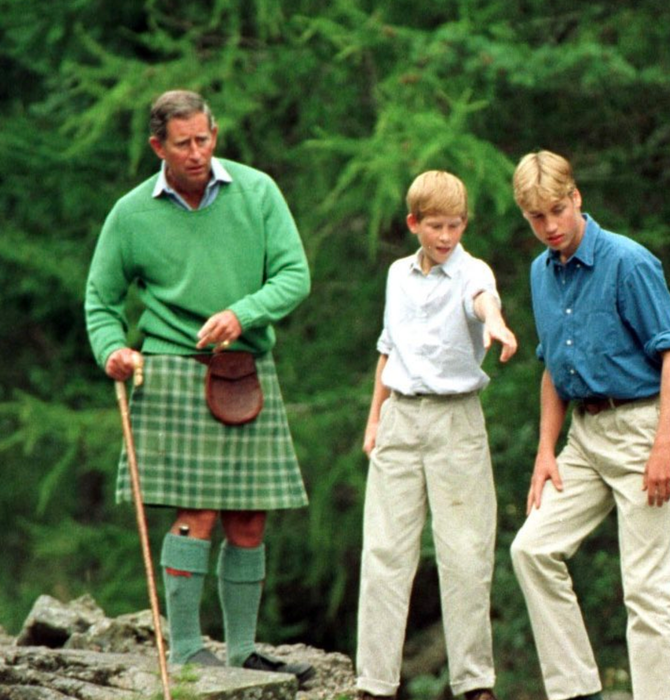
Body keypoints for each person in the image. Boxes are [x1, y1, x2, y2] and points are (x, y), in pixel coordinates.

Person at [84, 89, 313, 682]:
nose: (197, 154)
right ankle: (185, 648)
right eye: (183, 144)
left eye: (205, 139)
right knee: (199, 513)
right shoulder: (131, 214)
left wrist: (243, 313)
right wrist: (112, 349)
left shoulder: (258, 193)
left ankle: (241, 652)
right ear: (158, 145)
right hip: (171, 371)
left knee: (250, 520)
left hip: (246, 368)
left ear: (215, 133)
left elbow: (294, 276)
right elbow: (100, 300)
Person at [507, 150, 670, 700]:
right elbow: (552, 369)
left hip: (642, 428)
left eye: (557, 211)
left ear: (577, 197)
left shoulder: (628, 262)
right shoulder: (542, 272)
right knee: (531, 550)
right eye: (537, 218)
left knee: (648, 591)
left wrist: (663, 445)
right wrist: (546, 450)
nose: (551, 227)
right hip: (584, 437)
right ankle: (576, 691)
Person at [355, 171, 518, 700]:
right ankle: (373, 682)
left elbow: (482, 298)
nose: (446, 237)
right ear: (414, 224)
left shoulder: (473, 272)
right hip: (401, 416)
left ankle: (474, 682)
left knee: (466, 552)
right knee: (385, 551)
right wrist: (375, 417)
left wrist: (494, 322)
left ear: (464, 224)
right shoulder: (398, 275)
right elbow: (388, 347)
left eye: (454, 226)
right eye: (435, 227)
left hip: (456, 421)